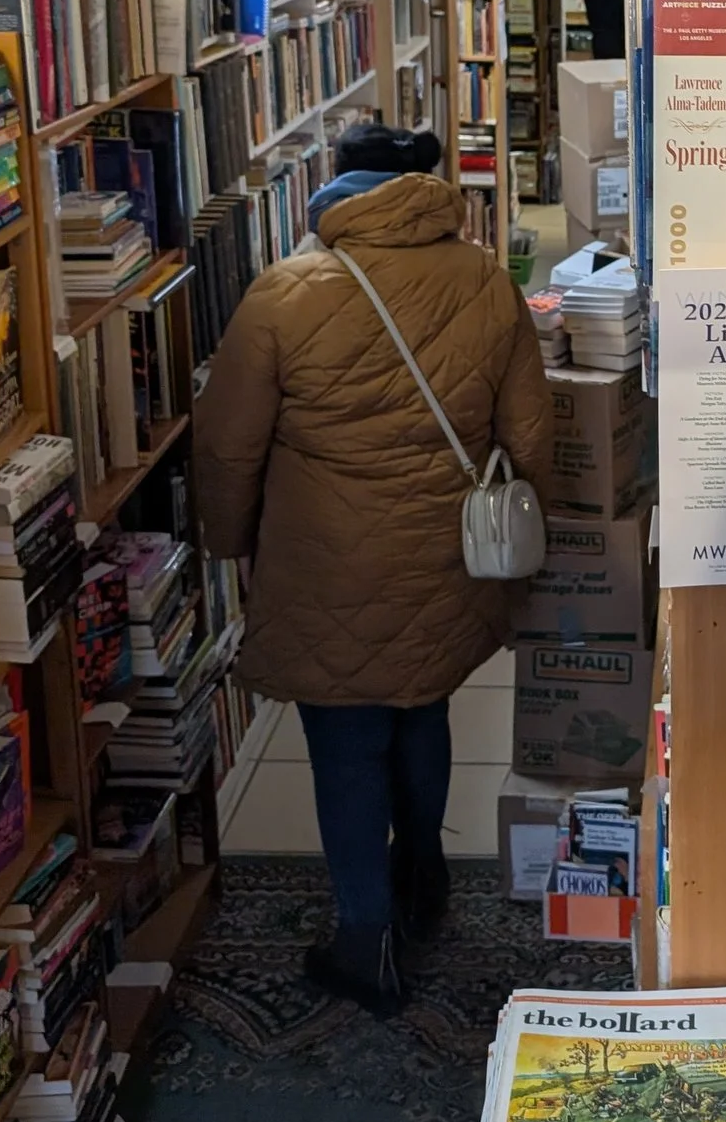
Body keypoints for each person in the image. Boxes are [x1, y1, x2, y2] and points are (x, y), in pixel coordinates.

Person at [196, 122, 550, 1013]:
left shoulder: (283, 295)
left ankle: (366, 936)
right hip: (442, 556)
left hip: (325, 564)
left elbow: (228, 451)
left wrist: (230, 545)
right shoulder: (484, 279)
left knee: (346, 743)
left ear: (336, 192)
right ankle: (423, 877)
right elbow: (533, 439)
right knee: (420, 707)